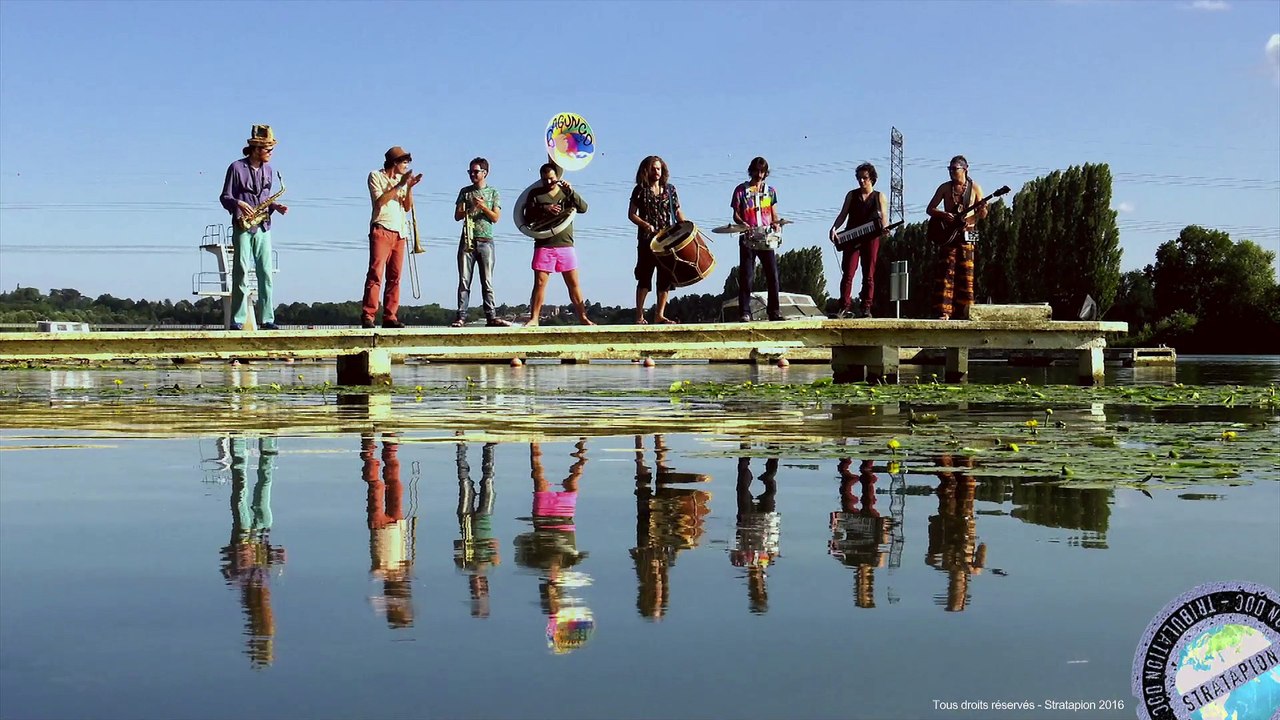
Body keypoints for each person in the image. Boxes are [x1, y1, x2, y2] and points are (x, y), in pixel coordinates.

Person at [219, 125, 288, 330]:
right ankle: (238, 320)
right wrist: (239, 203)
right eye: (268, 150)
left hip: (263, 225)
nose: (271, 154)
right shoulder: (236, 167)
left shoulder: (269, 170)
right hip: (243, 224)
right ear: (257, 149)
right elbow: (224, 197)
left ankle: (267, 319)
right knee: (241, 270)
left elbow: (266, 198)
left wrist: (276, 206)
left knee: (265, 272)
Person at [522, 163, 592, 327]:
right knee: (539, 283)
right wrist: (545, 208)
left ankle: (583, 317)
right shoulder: (535, 194)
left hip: (565, 243)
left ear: (557, 177)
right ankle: (534, 318)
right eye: (545, 180)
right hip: (544, 243)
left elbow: (583, 208)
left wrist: (571, 192)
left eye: (552, 179)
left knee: (573, 283)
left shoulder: (566, 193)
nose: (548, 183)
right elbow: (527, 217)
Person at [364, 146, 423, 329]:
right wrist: (399, 185)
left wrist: (409, 187)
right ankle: (368, 314)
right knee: (376, 274)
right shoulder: (376, 176)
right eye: (404, 162)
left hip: (400, 233)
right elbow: (379, 202)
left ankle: (390, 316)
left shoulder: (401, 180)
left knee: (395, 277)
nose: (406, 166)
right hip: (382, 228)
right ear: (395, 163)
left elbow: (406, 207)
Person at [925, 155, 987, 321]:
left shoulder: (975, 188)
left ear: (965, 169)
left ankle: (967, 310)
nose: (952, 172)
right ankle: (945, 311)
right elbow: (930, 209)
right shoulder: (945, 188)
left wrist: (982, 210)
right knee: (947, 271)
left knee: (967, 272)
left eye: (955, 169)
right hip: (949, 234)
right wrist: (944, 215)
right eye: (950, 169)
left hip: (969, 232)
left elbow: (983, 214)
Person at [628, 156, 687, 324]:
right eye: (653, 168)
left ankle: (659, 315)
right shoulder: (640, 190)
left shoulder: (670, 189)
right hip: (647, 240)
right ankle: (639, 315)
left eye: (659, 169)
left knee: (665, 278)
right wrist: (645, 224)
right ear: (646, 170)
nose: (657, 172)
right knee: (644, 277)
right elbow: (631, 214)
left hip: (666, 239)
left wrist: (686, 226)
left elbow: (677, 211)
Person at [452, 158, 509, 328]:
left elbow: (496, 218)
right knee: (464, 280)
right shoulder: (465, 192)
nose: (472, 175)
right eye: (470, 171)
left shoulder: (493, 192)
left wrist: (483, 207)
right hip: (467, 240)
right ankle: (461, 316)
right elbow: (457, 215)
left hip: (486, 241)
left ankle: (491, 316)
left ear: (485, 173)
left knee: (487, 281)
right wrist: (471, 209)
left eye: (476, 171)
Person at [828, 163, 889, 318]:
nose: (862, 181)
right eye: (859, 178)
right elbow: (843, 215)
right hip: (852, 238)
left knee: (868, 274)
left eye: (865, 178)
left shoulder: (879, 196)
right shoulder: (851, 195)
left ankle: (866, 307)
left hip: (871, 238)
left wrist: (884, 227)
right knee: (848, 273)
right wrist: (834, 228)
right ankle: (844, 306)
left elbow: (884, 217)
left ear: (872, 179)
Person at [730, 157, 783, 322]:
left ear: (766, 172)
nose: (759, 175)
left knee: (772, 275)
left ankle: (774, 312)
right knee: (747, 276)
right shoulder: (741, 190)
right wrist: (742, 223)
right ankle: (745, 311)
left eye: (762, 171)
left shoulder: (770, 191)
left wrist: (777, 225)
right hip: (748, 237)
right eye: (757, 171)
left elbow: (774, 214)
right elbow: (736, 214)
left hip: (766, 237)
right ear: (751, 171)